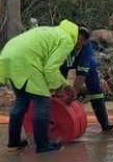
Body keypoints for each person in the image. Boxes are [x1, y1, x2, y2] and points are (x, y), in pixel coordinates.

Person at [0, 19, 79, 153]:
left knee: (21, 101)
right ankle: (43, 145)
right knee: (42, 101)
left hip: (8, 56)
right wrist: (62, 87)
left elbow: (46, 66)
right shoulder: (67, 40)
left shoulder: (49, 31)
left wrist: (62, 84)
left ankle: (13, 143)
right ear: (75, 37)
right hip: (26, 61)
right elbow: (50, 69)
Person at [61, 27, 113, 133]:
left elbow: (81, 75)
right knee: (58, 88)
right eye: (79, 39)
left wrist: (74, 94)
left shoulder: (87, 49)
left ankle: (105, 125)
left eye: (83, 40)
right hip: (62, 63)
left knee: (96, 90)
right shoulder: (62, 42)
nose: (80, 42)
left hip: (84, 64)